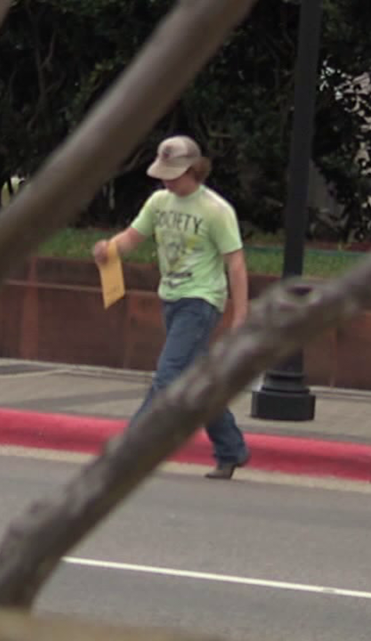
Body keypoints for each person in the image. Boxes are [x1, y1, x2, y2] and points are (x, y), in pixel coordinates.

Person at [93, 135, 251, 479]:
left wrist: (240, 314)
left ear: (194, 170)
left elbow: (235, 263)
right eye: (163, 173)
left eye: (173, 173)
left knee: (168, 375)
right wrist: (110, 248)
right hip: (172, 298)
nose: (166, 179)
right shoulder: (159, 202)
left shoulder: (216, 210)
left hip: (201, 300)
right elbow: (134, 236)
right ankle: (231, 449)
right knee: (198, 382)